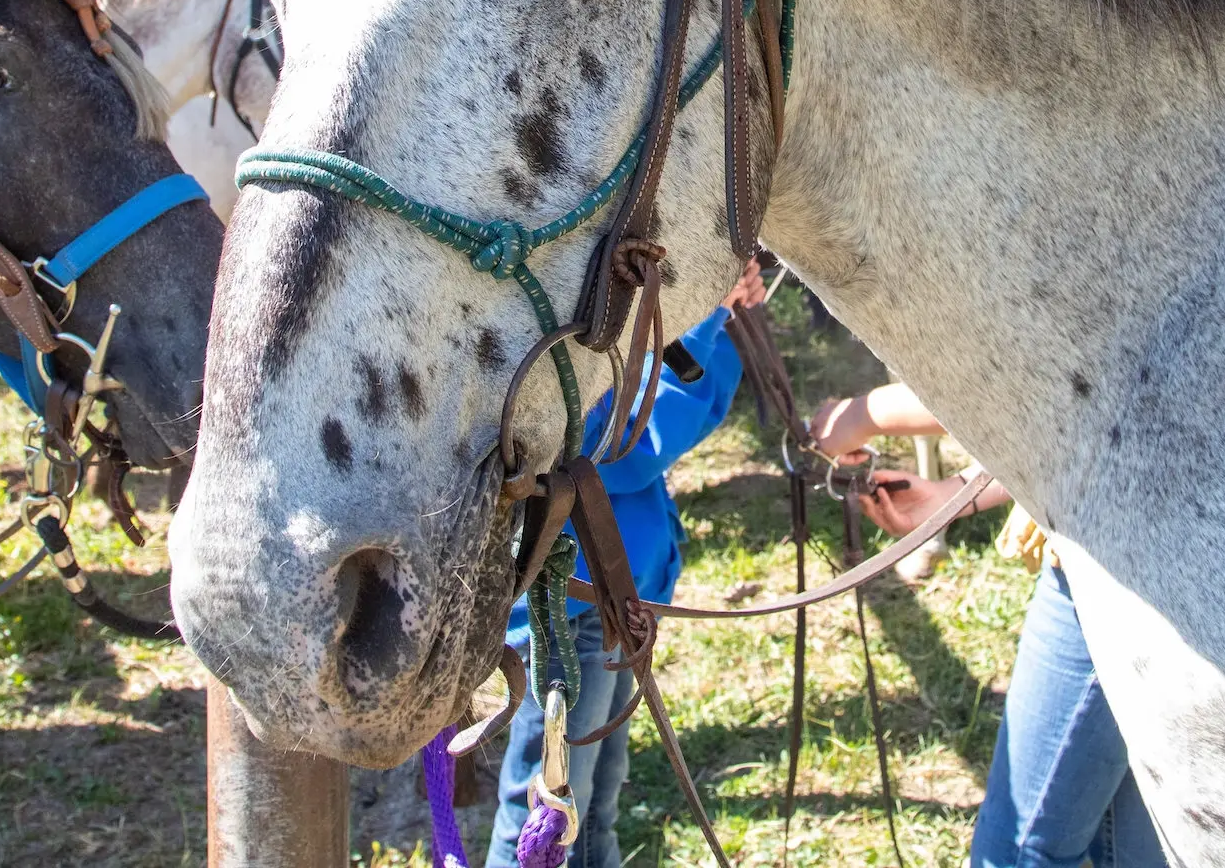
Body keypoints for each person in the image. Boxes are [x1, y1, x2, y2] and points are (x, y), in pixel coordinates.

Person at [810, 384, 1168, 868]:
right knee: (1133, 846)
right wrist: (955, 494)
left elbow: (1063, 386)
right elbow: (1085, 423)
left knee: (1019, 851)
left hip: (1111, 568)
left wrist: (864, 414)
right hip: (1144, 553)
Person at [485, 263, 759, 868]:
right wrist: (709, 317)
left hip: (605, 593)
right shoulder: (566, 340)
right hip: (572, 601)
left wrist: (722, 314)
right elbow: (634, 445)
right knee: (547, 815)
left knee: (592, 807)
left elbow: (681, 414)